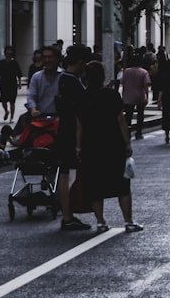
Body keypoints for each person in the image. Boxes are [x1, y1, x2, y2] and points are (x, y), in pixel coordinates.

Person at [75, 61, 143, 233]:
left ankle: (101, 222)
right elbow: (120, 120)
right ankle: (128, 221)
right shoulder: (111, 94)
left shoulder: (81, 97)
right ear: (102, 76)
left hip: (90, 145)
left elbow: (79, 125)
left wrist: (78, 147)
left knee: (94, 185)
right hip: (113, 143)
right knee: (122, 184)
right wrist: (127, 142)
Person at [56, 44, 93, 231]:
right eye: (85, 62)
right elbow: (79, 116)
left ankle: (66, 214)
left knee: (64, 173)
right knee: (69, 174)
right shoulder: (74, 83)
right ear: (79, 62)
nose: (85, 66)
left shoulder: (63, 79)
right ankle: (69, 214)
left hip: (63, 129)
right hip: (72, 132)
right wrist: (80, 143)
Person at [26, 45, 62, 118]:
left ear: (57, 59)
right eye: (44, 57)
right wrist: (33, 109)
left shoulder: (64, 77)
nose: (47, 60)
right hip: (40, 116)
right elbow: (31, 96)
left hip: (60, 118)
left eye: (50, 57)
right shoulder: (36, 77)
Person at [120, 55, 150, 140]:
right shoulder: (144, 72)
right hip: (139, 96)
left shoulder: (126, 71)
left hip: (128, 96)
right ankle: (139, 132)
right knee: (140, 115)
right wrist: (146, 96)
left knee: (128, 115)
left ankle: (127, 132)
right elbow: (146, 85)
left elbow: (123, 83)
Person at [0, 45, 23, 123]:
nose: (9, 52)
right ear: (5, 52)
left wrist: (19, 83)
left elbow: (19, 73)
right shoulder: (2, 62)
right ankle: (6, 111)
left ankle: (12, 117)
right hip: (3, 83)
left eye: (11, 50)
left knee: (12, 101)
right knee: (3, 101)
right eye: (8, 50)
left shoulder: (15, 62)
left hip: (12, 83)